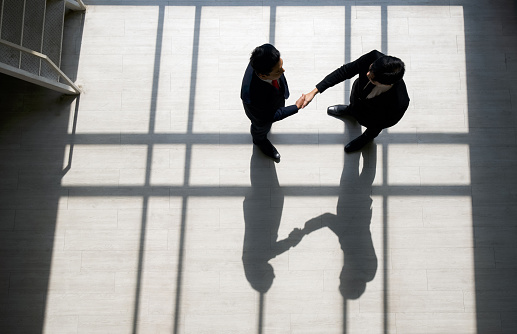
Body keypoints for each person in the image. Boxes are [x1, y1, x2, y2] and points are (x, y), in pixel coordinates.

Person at [303, 50, 410, 152]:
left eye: (372, 79)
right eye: (370, 68)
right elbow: (345, 71)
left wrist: (369, 124)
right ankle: (350, 110)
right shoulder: (374, 57)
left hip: (373, 117)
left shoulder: (400, 101)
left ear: (387, 84)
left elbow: (386, 122)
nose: (367, 74)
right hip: (357, 96)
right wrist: (314, 91)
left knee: (373, 131)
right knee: (353, 106)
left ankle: (366, 138)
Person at [241, 43, 305, 160]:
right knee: (260, 129)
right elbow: (269, 116)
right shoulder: (252, 98)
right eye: (278, 71)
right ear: (263, 75)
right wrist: (296, 107)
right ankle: (259, 141)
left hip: (273, 99)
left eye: (281, 65)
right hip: (261, 117)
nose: (283, 70)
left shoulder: (265, 60)